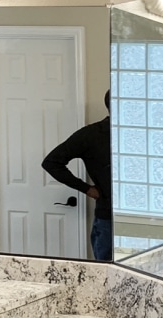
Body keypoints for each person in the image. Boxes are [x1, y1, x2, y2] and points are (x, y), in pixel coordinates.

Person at [41, 92, 113, 261]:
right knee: (105, 274)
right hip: (108, 218)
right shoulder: (91, 135)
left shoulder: (143, 133)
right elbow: (51, 162)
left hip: (145, 217)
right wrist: (86, 188)